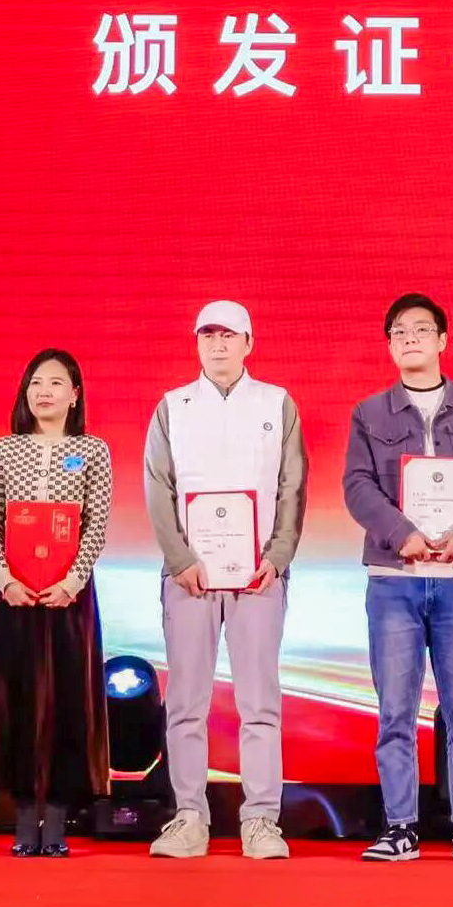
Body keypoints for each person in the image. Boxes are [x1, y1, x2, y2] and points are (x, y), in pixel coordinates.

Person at [343, 293, 453, 864]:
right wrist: (401, 534)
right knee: (395, 708)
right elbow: (357, 486)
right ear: (389, 345)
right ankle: (400, 827)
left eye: (420, 329)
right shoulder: (369, 412)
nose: (409, 338)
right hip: (393, 576)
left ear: (442, 340)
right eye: (398, 331)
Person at [144, 301, 307, 861]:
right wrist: (179, 559)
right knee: (185, 702)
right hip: (188, 576)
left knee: (259, 702)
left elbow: (292, 486)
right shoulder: (173, 406)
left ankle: (261, 819)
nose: (217, 344)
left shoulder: (276, 403)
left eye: (228, 335)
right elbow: (158, 485)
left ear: (248, 343)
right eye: (207, 335)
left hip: (258, 576)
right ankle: (190, 816)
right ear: (196, 343)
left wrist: (277, 557)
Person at [0, 349, 112, 857]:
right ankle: (24, 816)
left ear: (75, 394)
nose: (43, 392)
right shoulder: (4, 449)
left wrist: (72, 581)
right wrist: (4, 578)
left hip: (69, 596)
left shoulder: (93, 451)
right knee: (18, 700)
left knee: (66, 703)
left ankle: (57, 818)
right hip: (13, 594)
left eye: (55, 383)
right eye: (35, 383)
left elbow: (96, 522)